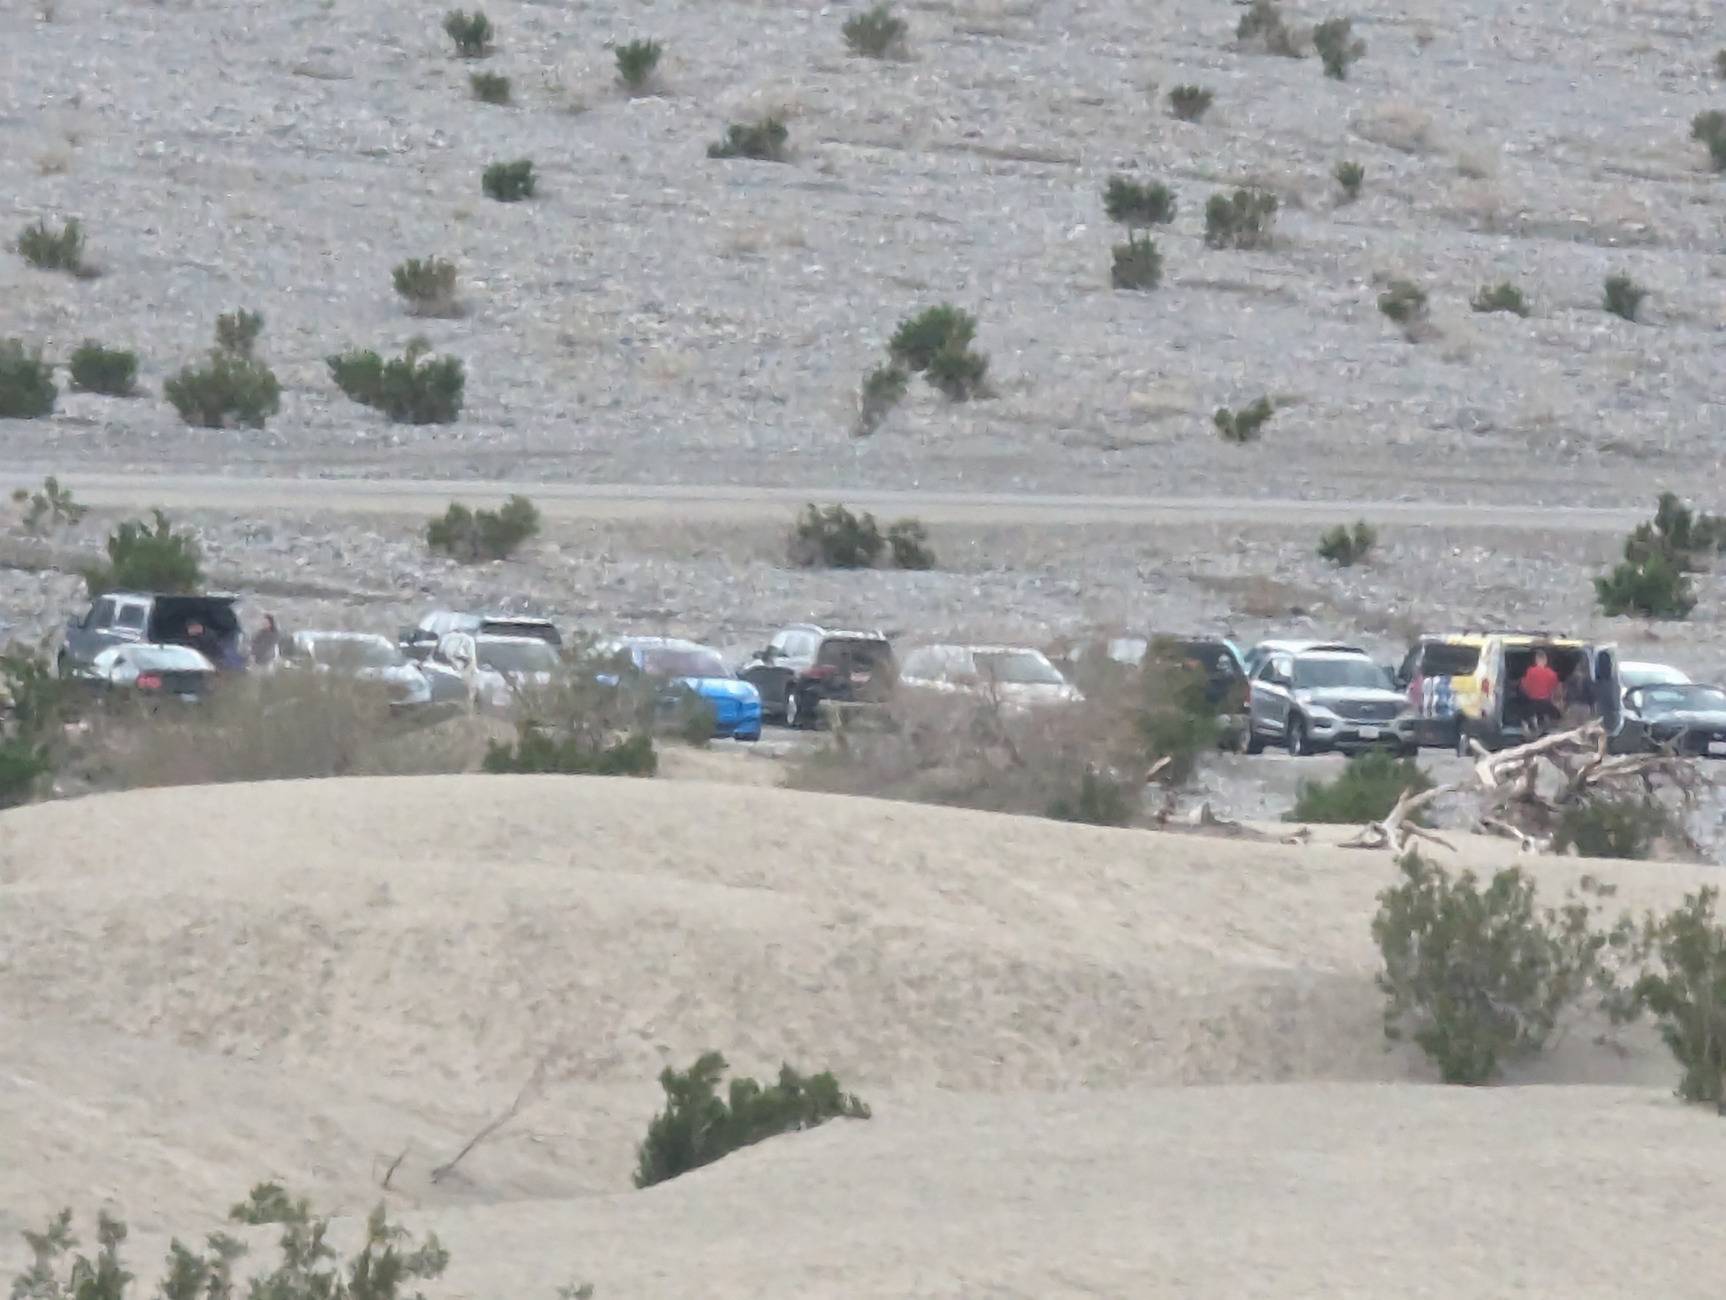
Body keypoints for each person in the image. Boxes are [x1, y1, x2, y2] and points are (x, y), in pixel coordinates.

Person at [1519, 649, 1561, 729]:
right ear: (1545, 660)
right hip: (1546, 702)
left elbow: (1525, 687)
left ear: (1536, 660)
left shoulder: (1530, 671)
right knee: (1557, 718)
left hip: (1532, 702)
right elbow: (1555, 690)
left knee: (1525, 718)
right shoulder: (1552, 674)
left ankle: (1532, 729)